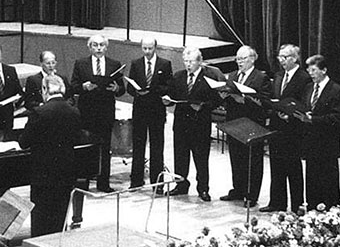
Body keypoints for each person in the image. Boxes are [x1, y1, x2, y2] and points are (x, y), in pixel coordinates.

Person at [19, 75, 82, 239]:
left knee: (41, 220)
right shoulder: (74, 112)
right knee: (59, 216)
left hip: (43, 175)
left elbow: (24, 142)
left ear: (44, 90)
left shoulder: (39, 112)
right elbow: (77, 139)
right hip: (66, 173)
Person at [163, 47, 225, 201]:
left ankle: (203, 189)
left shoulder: (208, 78)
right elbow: (172, 95)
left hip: (200, 124)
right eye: (185, 61)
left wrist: (203, 106)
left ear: (200, 62)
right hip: (181, 124)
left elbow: (217, 100)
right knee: (180, 157)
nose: (188, 64)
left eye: (191, 61)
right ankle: (181, 185)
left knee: (201, 159)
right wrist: (167, 100)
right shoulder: (178, 76)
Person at [71, 34, 126, 193]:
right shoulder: (81, 64)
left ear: (106, 47)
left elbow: (121, 89)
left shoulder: (114, 64)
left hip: (105, 112)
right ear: (90, 47)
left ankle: (104, 183)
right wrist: (84, 86)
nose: (99, 48)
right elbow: (73, 86)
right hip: (87, 112)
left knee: (105, 148)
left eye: (102, 45)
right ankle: (84, 184)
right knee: (85, 148)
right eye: (95, 45)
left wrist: (116, 89)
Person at [218, 45, 272, 207]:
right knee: (236, 156)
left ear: (252, 59)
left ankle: (251, 194)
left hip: (252, 123)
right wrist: (224, 96)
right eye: (237, 59)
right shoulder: (233, 75)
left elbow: (265, 103)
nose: (239, 62)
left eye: (242, 59)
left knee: (253, 160)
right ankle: (238, 189)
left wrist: (245, 100)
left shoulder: (260, 77)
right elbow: (228, 97)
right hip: (234, 122)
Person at [260, 44, 310, 213]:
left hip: (293, 129)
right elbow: (275, 98)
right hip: (276, 126)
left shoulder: (304, 78)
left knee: (293, 168)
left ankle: (297, 206)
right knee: (276, 165)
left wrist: (290, 115)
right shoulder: (279, 75)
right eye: (279, 57)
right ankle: (277, 202)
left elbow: (305, 103)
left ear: (294, 58)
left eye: (285, 57)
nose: (281, 60)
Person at [295, 55, 340, 210]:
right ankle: (312, 210)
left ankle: (331, 212)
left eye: (314, 70)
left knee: (329, 181)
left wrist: (312, 120)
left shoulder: (337, 90)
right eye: (309, 70)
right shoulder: (309, 87)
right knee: (311, 180)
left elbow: (337, 117)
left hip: (327, 145)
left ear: (324, 70)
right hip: (310, 143)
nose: (311, 73)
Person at [126, 38, 173, 192]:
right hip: (140, 110)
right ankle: (136, 181)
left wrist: (152, 91)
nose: (147, 51)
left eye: (150, 48)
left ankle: (157, 183)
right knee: (138, 146)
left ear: (155, 48)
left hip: (156, 111)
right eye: (144, 48)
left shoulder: (164, 64)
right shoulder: (136, 63)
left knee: (157, 147)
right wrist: (138, 91)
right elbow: (129, 88)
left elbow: (168, 86)